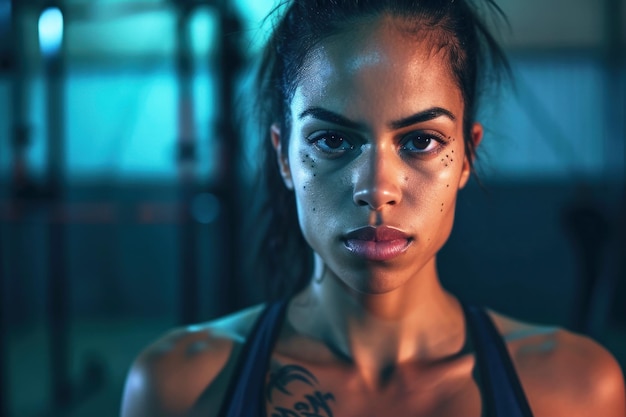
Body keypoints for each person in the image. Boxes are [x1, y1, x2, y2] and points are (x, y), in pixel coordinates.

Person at [120, 1, 626, 416]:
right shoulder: (178, 388)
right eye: (333, 139)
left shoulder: (575, 390)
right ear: (283, 156)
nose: (377, 189)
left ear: (467, 156)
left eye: (421, 141)